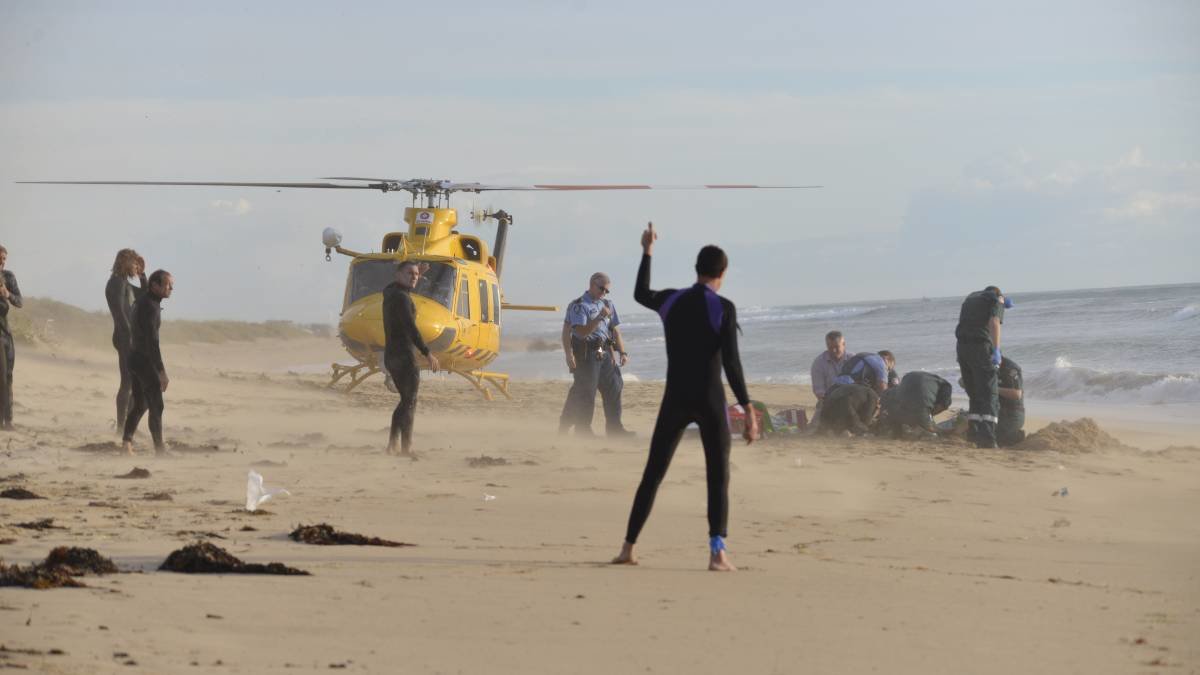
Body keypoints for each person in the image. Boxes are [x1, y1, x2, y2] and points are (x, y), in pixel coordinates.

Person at [613, 223, 757, 572]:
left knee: (654, 473)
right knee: (717, 475)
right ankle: (716, 552)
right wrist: (747, 408)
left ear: (697, 270)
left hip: (675, 399)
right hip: (710, 400)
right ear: (722, 273)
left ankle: (628, 547)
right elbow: (732, 364)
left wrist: (647, 250)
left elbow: (639, 293)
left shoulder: (672, 301)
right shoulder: (723, 307)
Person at [558, 272, 634, 438]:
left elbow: (614, 330)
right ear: (592, 285)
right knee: (586, 392)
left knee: (614, 386)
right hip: (586, 352)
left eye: (607, 290)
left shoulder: (607, 304)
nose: (604, 293)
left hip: (604, 352)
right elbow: (581, 332)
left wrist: (622, 351)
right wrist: (568, 354)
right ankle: (581, 430)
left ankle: (615, 429)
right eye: (601, 289)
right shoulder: (579, 305)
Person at [382, 260, 439, 457]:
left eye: (416, 274)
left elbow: (393, 287)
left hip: (390, 355)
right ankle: (405, 447)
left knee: (405, 400)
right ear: (398, 275)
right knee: (409, 401)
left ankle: (392, 445)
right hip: (404, 356)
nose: (414, 276)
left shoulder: (390, 293)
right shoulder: (402, 298)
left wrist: (416, 274)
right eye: (409, 273)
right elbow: (410, 327)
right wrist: (427, 352)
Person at [121, 269, 173, 455]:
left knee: (141, 404)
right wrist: (161, 371)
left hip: (134, 358)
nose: (171, 288)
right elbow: (153, 342)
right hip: (143, 360)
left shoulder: (145, 301)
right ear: (155, 286)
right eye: (167, 285)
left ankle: (126, 443)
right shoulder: (150, 306)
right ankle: (160, 450)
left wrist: (142, 275)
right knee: (156, 404)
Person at [955, 285, 1011, 448]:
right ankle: (988, 439)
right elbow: (994, 322)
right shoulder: (996, 299)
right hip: (980, 348)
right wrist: (996, 349)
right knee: (989, 393)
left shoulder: (971, 298)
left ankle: (974, 435)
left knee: (974, 393)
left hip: (962, 348)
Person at [105, 249, 148, 429]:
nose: (136, 266)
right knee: (127, 382)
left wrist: (143, 274)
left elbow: (145, 295)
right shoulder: (116, 283)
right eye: (134, 263)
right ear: (124, 262)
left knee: (136, 383)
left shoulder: (125, 284)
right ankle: (122, 427)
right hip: (125, 337)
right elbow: (120, 313)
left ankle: (127, 425)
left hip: (129, 337)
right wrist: (131, 340)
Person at [877, 371, 953, 438]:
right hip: (920, 404)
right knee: (928, 427)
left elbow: (887, 396)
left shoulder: (936, 383)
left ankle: (897, 433)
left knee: (895, 405)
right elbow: (944, 405)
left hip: (907, 382)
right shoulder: (945, 386)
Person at [0, 245, 22, 431]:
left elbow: (20, 302)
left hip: (6, 333)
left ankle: (8, 420)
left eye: (4, 259)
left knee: (8, 376)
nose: (2, 262)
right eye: (0, 258)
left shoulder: (8, 276)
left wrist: (7, 294)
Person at [810, 330, 850, 427]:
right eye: (830, 347)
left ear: (844, 344)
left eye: (837, 347)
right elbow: (819, 391)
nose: (833, 351)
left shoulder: (853, 359)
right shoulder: (819, 363)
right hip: (828, 402)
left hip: (851, 400)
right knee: (816, 428)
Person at [996, 356, 1025, 447]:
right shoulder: (984, 365)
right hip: (995, 410)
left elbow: (1016, 394)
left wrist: (993, 389)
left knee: (996, 439)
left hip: (1012, 413)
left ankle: (1016, 436)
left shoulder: (1010, 368)